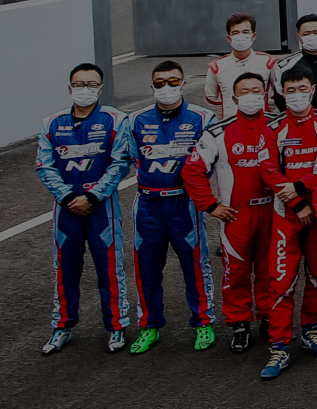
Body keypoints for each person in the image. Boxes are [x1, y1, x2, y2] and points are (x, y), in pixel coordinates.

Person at [117, 61, 217, 354]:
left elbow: (211, 162)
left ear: (183, 84)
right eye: (160, 83)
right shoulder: (134, 120)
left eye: (173, 81)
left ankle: (203, 323)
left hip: (184, 203)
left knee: (195, 265)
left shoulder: (203, 118)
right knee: (146, 268)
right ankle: (149, 326)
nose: (167, 87)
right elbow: (126, 158)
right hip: (148, 203)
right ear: (152, 87)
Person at [36, 63, 131, 356]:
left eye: (91, 85)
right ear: (69, 88)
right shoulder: (51, 123)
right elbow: (44, 166)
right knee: (65, 269)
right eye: (79, 84)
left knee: (110, 268)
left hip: (102, 208)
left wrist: (92, 196)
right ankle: (62, 326)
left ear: (100, 89)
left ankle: (117, 325)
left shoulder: (116, 120)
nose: (84, 90)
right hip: (66, 210)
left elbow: (120, 163)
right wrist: (67, 197)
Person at [183, 73, 277, 356]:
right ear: (235, 98)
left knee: (270, 270)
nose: (251, 96)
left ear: (265, 95)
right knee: (235, 272)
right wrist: (211, 205)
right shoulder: (217, 132)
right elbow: (192, 171)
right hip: (236, 215)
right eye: (244, 91)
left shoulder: (278, 126)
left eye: (256, 90)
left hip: (273, 211)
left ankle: (270, 317)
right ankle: (239, 324)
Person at [262, 67, 317, 374]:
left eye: (302, 89)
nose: (297, 95)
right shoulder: (272, 127)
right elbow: (268, 171)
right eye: (291, 90)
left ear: (313, 90)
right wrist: (297, 204)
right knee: (281, 281)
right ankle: (278, 346)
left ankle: (311, 330)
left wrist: (300, 187)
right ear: (282, 93)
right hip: (287, 215)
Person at [205, 13, 280, 119]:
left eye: (245, 32)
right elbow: (211, 98)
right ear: (228, 38)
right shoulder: (216, 66)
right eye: (235, 33)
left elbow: (278, 93)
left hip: (262, 123)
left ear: (253, 36)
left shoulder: (268, 62)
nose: (240, 36)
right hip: (230, 124)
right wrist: (227, 114)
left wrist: (266, 109)